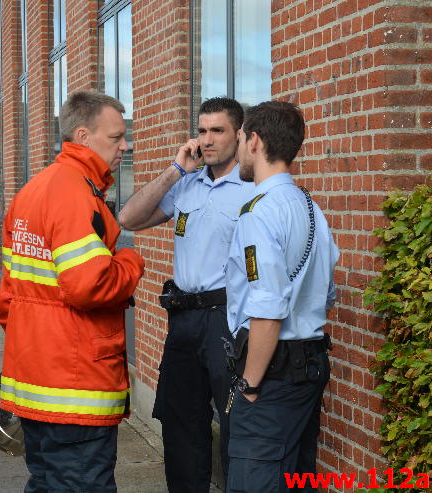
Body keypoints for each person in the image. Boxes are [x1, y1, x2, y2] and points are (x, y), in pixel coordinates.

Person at [0, 90, 145, 493]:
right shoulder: (75, 194)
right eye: (116, 138)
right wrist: (131, 264)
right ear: (84, 135)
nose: (125, 146)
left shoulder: (34, 189)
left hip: (35, 377)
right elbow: (88, 285)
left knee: (46, 482)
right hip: (74, 385)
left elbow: (9, 296)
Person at [119, 97, 256, 492]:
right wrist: (177, 169)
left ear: (239, 135)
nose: (207, 139)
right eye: (201, 130)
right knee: (180, 422)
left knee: (235, 426)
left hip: (228, 320)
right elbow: (129, 218)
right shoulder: (187, 185)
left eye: (217, 131)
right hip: (183, 320)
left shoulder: (250, 190)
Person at [223, 101, 339, 492]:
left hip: (272, 375)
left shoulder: (258, 212)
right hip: (308, 366)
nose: (238, 149)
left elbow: (268, 308)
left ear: (254, 141)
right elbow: (328, 292)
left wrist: (248, 385)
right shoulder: (310, 207)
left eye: (239, 139)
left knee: (255, 479)